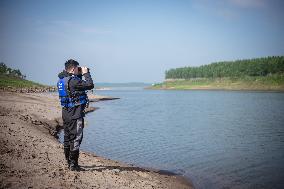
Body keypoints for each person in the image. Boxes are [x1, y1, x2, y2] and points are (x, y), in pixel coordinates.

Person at [57, 59, 94, 171]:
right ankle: (74, 165)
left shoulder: (62, 80)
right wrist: (86, 73)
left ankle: (69, 162)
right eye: (77, 68)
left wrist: (78, 74)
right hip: (75, 115)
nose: (79, 71)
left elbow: (74, 88)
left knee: (67, 138)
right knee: (76, 138)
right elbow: (90, 85)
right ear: (73, 69)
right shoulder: (73, 81)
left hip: (66, 114)